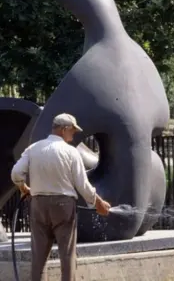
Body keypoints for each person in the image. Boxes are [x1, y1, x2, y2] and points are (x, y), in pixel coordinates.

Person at [11, 113, 111, 281]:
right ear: (64, 129)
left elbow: (16, 173)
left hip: (38, 204)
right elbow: (82, 185)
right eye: (72, 131)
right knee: (67, 255)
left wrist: (23, 188)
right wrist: (98, 203)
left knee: (39, 257)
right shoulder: (70, 152)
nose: (73, 135)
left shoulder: (34, 148)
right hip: (63, 206)